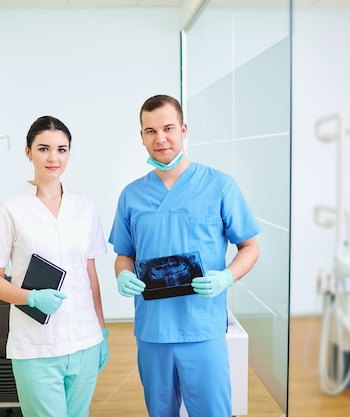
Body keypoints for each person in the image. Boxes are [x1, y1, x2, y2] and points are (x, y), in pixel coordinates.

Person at [108, 94, 261, 416]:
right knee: (160, 412)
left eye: (168, 128)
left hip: (202, 327)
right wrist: (122, 274)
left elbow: (249, 246)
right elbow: (124, 254)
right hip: (153, 330)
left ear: (183, 129)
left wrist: (227, 276)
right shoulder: (132, 195)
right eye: (151, 131)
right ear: (142, 137)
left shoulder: (220, 185)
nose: (160, 138)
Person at [0, 115, 109, 417]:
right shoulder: (11, 208)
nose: (53, 158)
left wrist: (101, 330)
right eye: (44, 148)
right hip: (37, 345)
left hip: (85, 339)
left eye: (62, 149)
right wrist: (31, 298)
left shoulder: (84, 205)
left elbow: (90, 274)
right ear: (28, 152)